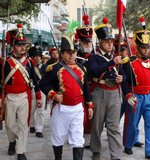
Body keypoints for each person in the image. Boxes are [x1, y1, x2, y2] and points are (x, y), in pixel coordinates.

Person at [39, 36, 93, 160]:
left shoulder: (81, 68)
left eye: (73, 53)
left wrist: (89, 104)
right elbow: (43, 84)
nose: (72, 56)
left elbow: (86, 89)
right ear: (62, 54)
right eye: (68, 53)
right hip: (61, 109)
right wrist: (53, 95)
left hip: (78, 109)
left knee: (78, 138)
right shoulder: (54, 69)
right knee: (58, 136)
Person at [121, 16, 150, 160]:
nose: (146, 50)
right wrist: (127, 95)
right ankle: (128, 144)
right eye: (143, 48)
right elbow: (124, 81)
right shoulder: (129, 62)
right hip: (136, 97)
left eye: (148, 47)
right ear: (138, 48)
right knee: (132, 122)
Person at [1, 24, 42, 160]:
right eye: (19, 45)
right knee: (10, 125)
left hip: (24, 96)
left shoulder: (29, 62)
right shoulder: (5, 62)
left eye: (23, 44)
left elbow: (35, 80)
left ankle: (21, 151)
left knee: (23, 125)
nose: (22, 47)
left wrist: (38, 95)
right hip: (10, 97)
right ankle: (12, 141)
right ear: (12, 47)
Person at [88, 18, 123, 160]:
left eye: (111, 41)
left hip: (114, 93)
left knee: (114, 127)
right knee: (97, 126)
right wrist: (111, 63)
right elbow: (95, 71)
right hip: (99, 93)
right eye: (107, 41)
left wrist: (123, 78)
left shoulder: (117, 57)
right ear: (101, 42)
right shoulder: (94, 57)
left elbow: (125, 74)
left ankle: (116, 155)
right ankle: (96, 150)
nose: (110, 44)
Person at [75, 14, 94, 148]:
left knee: (91, 116)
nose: (88, 44)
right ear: (80, 43)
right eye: (85, 42)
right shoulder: (74, 57)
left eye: (89, 42)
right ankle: (76, 135)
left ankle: (88, 138)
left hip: (93, 89)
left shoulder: (95, 56)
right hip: (79, 90)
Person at [28, 46, 47, 138]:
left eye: (39, 56)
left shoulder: (45, 67)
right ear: (32, 57)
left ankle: (39, 129)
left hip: (42, 90)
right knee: (31, 109)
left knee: (41, 110)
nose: (38, 58)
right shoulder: (28, 67)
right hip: (32, 89)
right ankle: (32, 125)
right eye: (35, 56)